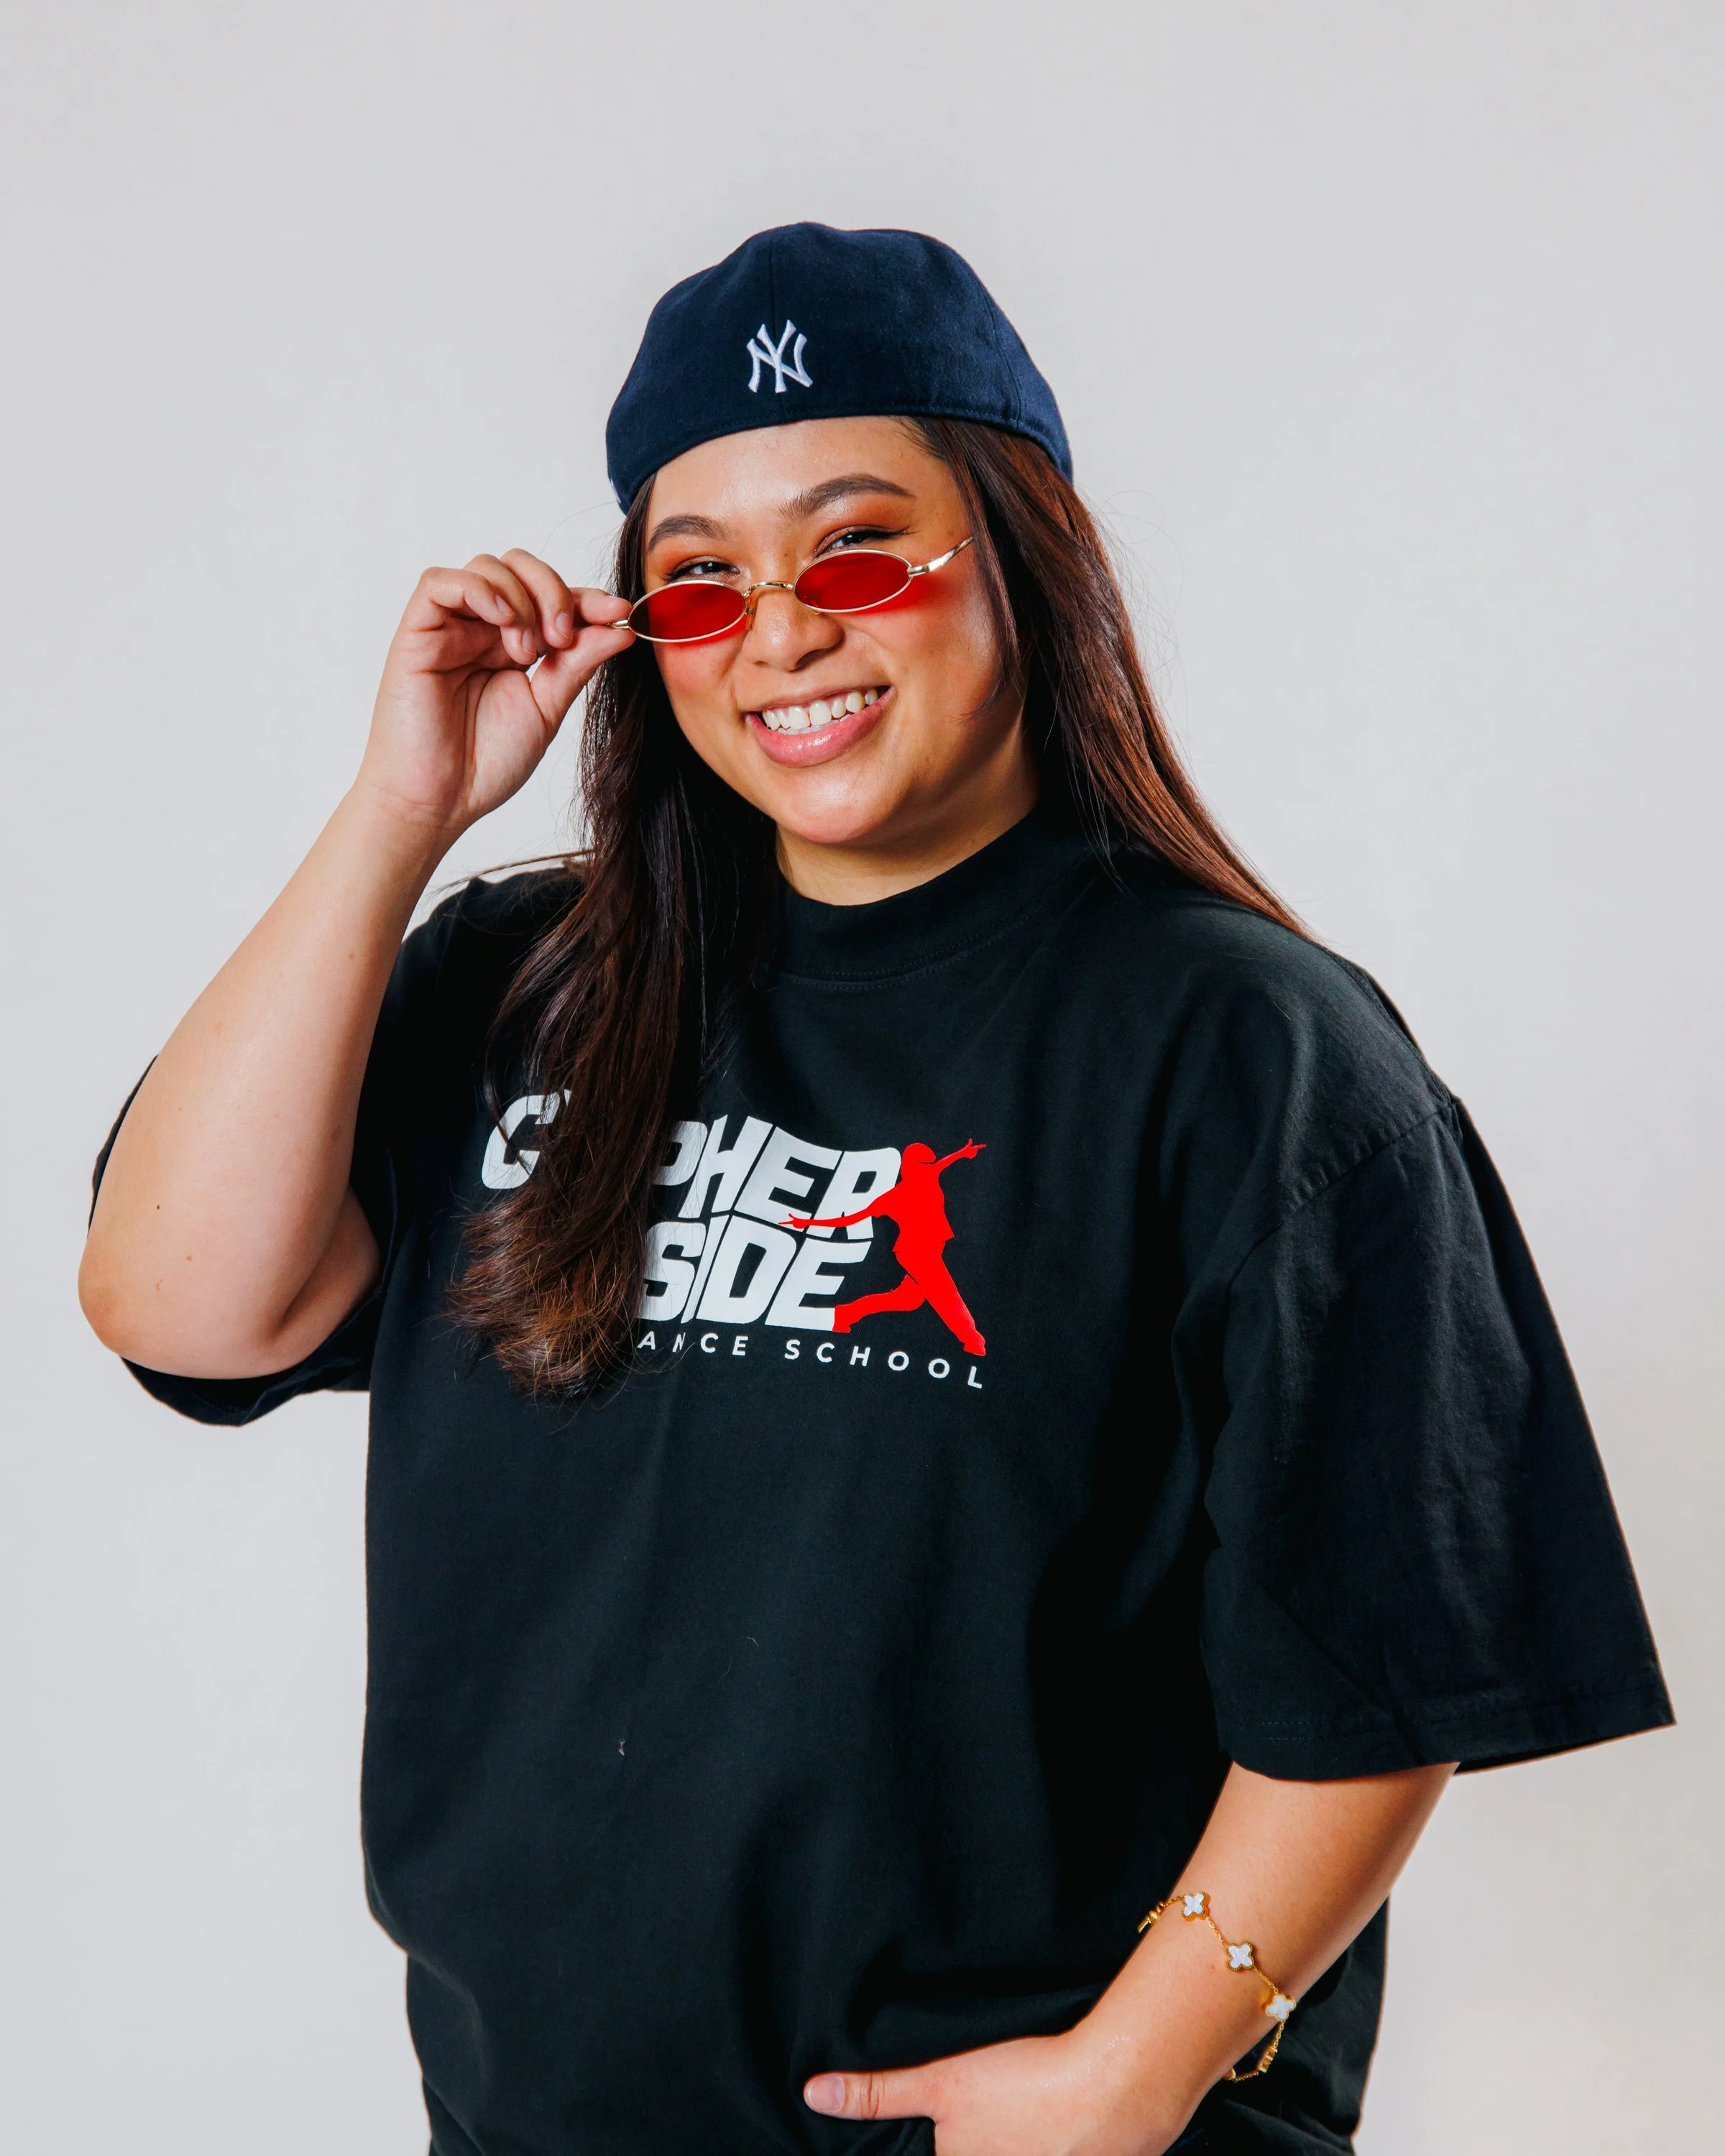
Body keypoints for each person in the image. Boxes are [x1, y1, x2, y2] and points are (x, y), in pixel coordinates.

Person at [79, 224, 1672, 2156]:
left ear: (1021, 558)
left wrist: (1133, 2071)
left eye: (856, 551)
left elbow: (1387, 1650)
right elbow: (183, 1303)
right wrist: (398, 814)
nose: (780, 633)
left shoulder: (1244, 1047)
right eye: (698, 582)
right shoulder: (520, 986)